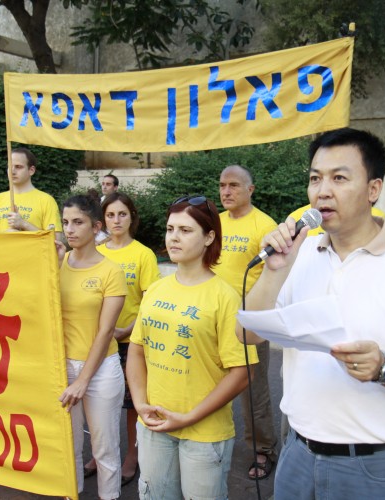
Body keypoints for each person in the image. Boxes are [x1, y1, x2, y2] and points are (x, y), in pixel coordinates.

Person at [242, 128, 385, 499]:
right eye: (315, 178)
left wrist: (384, 367)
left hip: (373, 467)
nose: (322, 191)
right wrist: (275, 272)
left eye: (339, 178)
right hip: (297, 452)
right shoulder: (299, 254)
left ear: (373, 189)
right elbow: (246, 335)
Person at [127, 194, 258, 499]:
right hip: (155, 425)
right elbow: (136, 350)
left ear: (209, 236)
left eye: (185, 231)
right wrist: (140, 404)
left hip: (204, 433)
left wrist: (189, 417)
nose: (174, 237)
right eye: (171, 229)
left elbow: (243, 372)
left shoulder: (224, 296)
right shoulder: (157, 289)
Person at [82, 192, 161, 485]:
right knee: (100, 402)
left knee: (130, 405)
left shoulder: (143, 254)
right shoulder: (97, 250)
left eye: (122, 215)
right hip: (98, 341)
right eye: (111, 215)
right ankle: (101, 454)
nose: (116, 220)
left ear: (132, 218)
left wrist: (127, 329)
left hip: (129, 342)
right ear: (103, 220)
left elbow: (150, 301)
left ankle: (132, 456)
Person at [55, 194, 127, 500]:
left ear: (96, 226)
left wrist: (84, 379)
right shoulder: (56, 264)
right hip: (60, 366)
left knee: (104, 448)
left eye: (78, 222)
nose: (70, 229)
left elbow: (106, 330)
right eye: (66, 222)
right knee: (67, 444)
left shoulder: (111, 271)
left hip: (101, 369)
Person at [215, 165, 279, 480]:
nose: (226, 192)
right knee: (210, 383)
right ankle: (212, 442)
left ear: (250, 190)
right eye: (223, 185)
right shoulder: (214, 223)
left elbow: (273, 276)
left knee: (253, 391)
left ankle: (263, 449)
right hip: (212, 319)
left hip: (249, 322)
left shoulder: (264, 225)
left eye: (234, 186)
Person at [0, 146, 62, 237]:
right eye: (9, 166)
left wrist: (24, 224)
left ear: (31, 170)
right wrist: (6, 236)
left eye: (18, 167)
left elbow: (55, 240)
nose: (12, 171)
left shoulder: (46, 200)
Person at [288, 203, 385, 237]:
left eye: (338, 178)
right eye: (316, 178)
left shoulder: (375, 216)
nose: (324, 190)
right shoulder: (298, 218)